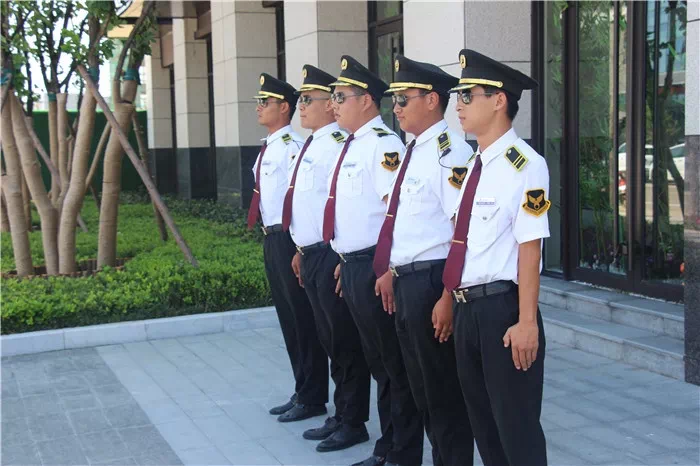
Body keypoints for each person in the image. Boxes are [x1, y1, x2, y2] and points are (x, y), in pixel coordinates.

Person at [443, 49, 549, 466]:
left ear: (499, 100)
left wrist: (526, 322)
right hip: (468, 310)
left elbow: (530, 247)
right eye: (458, 96)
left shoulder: (525, 165)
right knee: (484, 427)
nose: (459, 105)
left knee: (516, 430)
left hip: (502, 311)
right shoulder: (474, 164)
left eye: (468, 95)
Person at [374, 55, 475, 466]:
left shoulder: (450, 153)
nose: (396, 108)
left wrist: (448, 296)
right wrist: (389, 270)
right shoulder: (412, 150)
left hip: (431, 283)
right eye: (394, 100)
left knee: (442, 392)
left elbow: (460, 233)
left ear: (432, 100)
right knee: (420, 388)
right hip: (406, 281)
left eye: (404, 99)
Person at [325, 55, 424, 466]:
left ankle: (400, 451)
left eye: (340, 97)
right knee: (376, 360)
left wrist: (384, 268)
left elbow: (392, 214)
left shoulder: (383, 145)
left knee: (391, 365)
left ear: (366, 100)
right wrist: (344, 258)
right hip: (353, 264)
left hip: (374, 267)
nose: (333, 104)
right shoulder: (353, 144)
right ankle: (388, 445)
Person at [283, 64, 372, 451]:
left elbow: (347, 207)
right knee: (329, 339)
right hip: (312, 253)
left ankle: (353, 420)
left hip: (330, 253)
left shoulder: (338, 143)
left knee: (344, 341)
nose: (301, 106)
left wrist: (335, 255)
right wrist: (299, 248)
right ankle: (340, 413)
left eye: (309, 99)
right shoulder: (312, 144)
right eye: (301, 99)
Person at [247, 73, 329, 423]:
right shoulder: (270, 146)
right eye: (258, 102)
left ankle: (313, 396)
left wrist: (297, 246)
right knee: (288, 319)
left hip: (288, 238)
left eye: (264, 102)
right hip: (272, 237)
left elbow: (303, 200)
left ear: (284, 107)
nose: (258, 107)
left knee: (302, 318)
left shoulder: (293, 146)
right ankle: (302, 388)